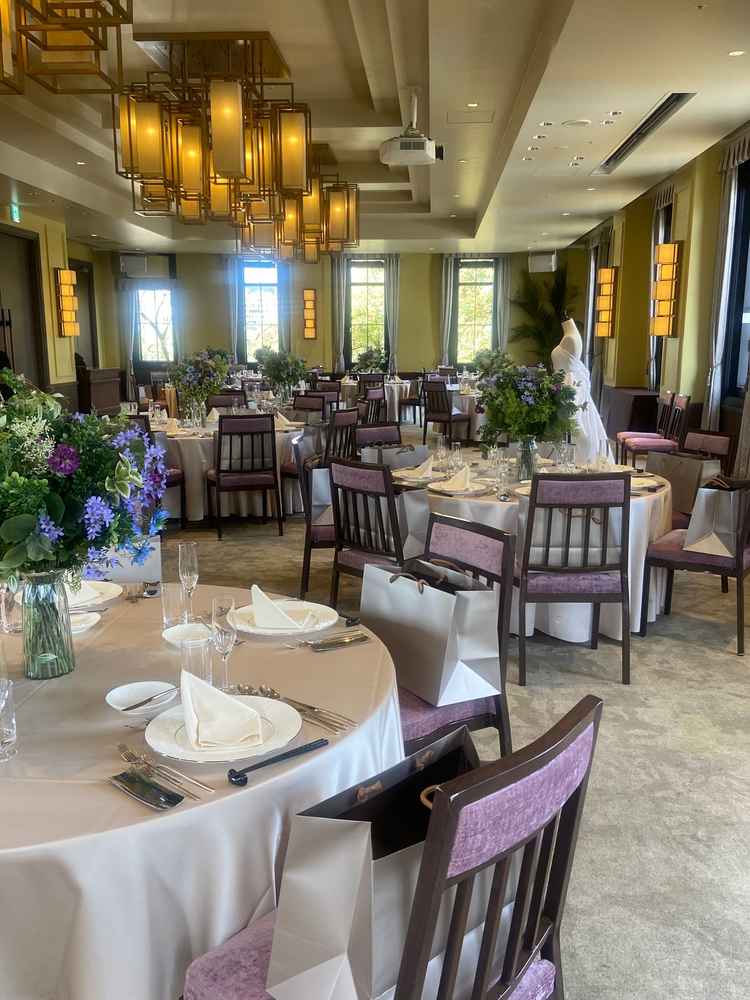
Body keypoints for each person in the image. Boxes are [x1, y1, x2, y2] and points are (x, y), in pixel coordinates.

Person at [550, 318, 612, 466]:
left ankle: (580, 461)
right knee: (570, 430)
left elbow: (567, 371)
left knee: (576, 427)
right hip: (563, 385)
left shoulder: (570, 338)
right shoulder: (571, 335)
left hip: (569, 385)